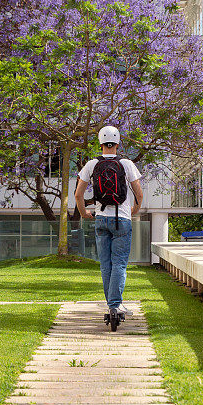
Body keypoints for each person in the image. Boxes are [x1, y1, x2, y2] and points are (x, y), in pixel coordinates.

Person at [75, 126, 143, 323]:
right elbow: (138, 193)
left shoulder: (91, 164)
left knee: (106, 265)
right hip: (122, 219)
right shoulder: (127, 164)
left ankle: (113, 305)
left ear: (100, 143)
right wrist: (134, 210)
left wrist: (84, 213)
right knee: (120, 263)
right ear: (118, 142)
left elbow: (79, 194)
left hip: (101, 218)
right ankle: (115, 304)